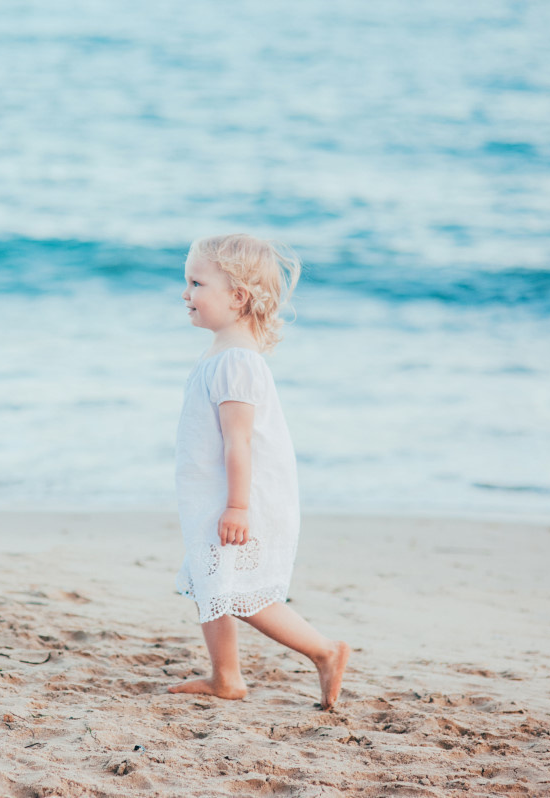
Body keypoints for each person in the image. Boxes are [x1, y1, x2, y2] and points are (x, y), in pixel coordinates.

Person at [168, 233, 350, 710]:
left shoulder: (236, 363)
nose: (185, 293)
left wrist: (236, 507)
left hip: (236, 499)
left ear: (238, 297)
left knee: (245, 595)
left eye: (196, 282)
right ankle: (226, 677)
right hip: (214, 496)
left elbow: (240, 440)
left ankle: (325, 651)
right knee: (210, 584)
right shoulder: (222, 355)